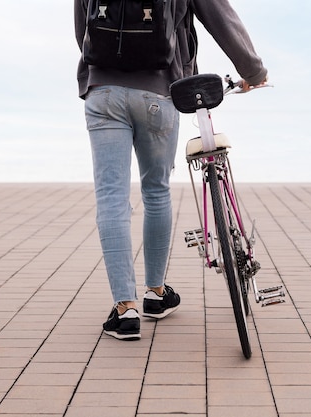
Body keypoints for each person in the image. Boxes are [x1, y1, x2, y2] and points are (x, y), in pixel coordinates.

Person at [74, 0, 268, 340]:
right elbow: (220, 18)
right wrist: (254, 72)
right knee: (156, 190)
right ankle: (155, 293)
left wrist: (108, 67)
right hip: (159, 92)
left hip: (102, 91)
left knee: (111, 198)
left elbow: (84, 29)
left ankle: (125, 310)